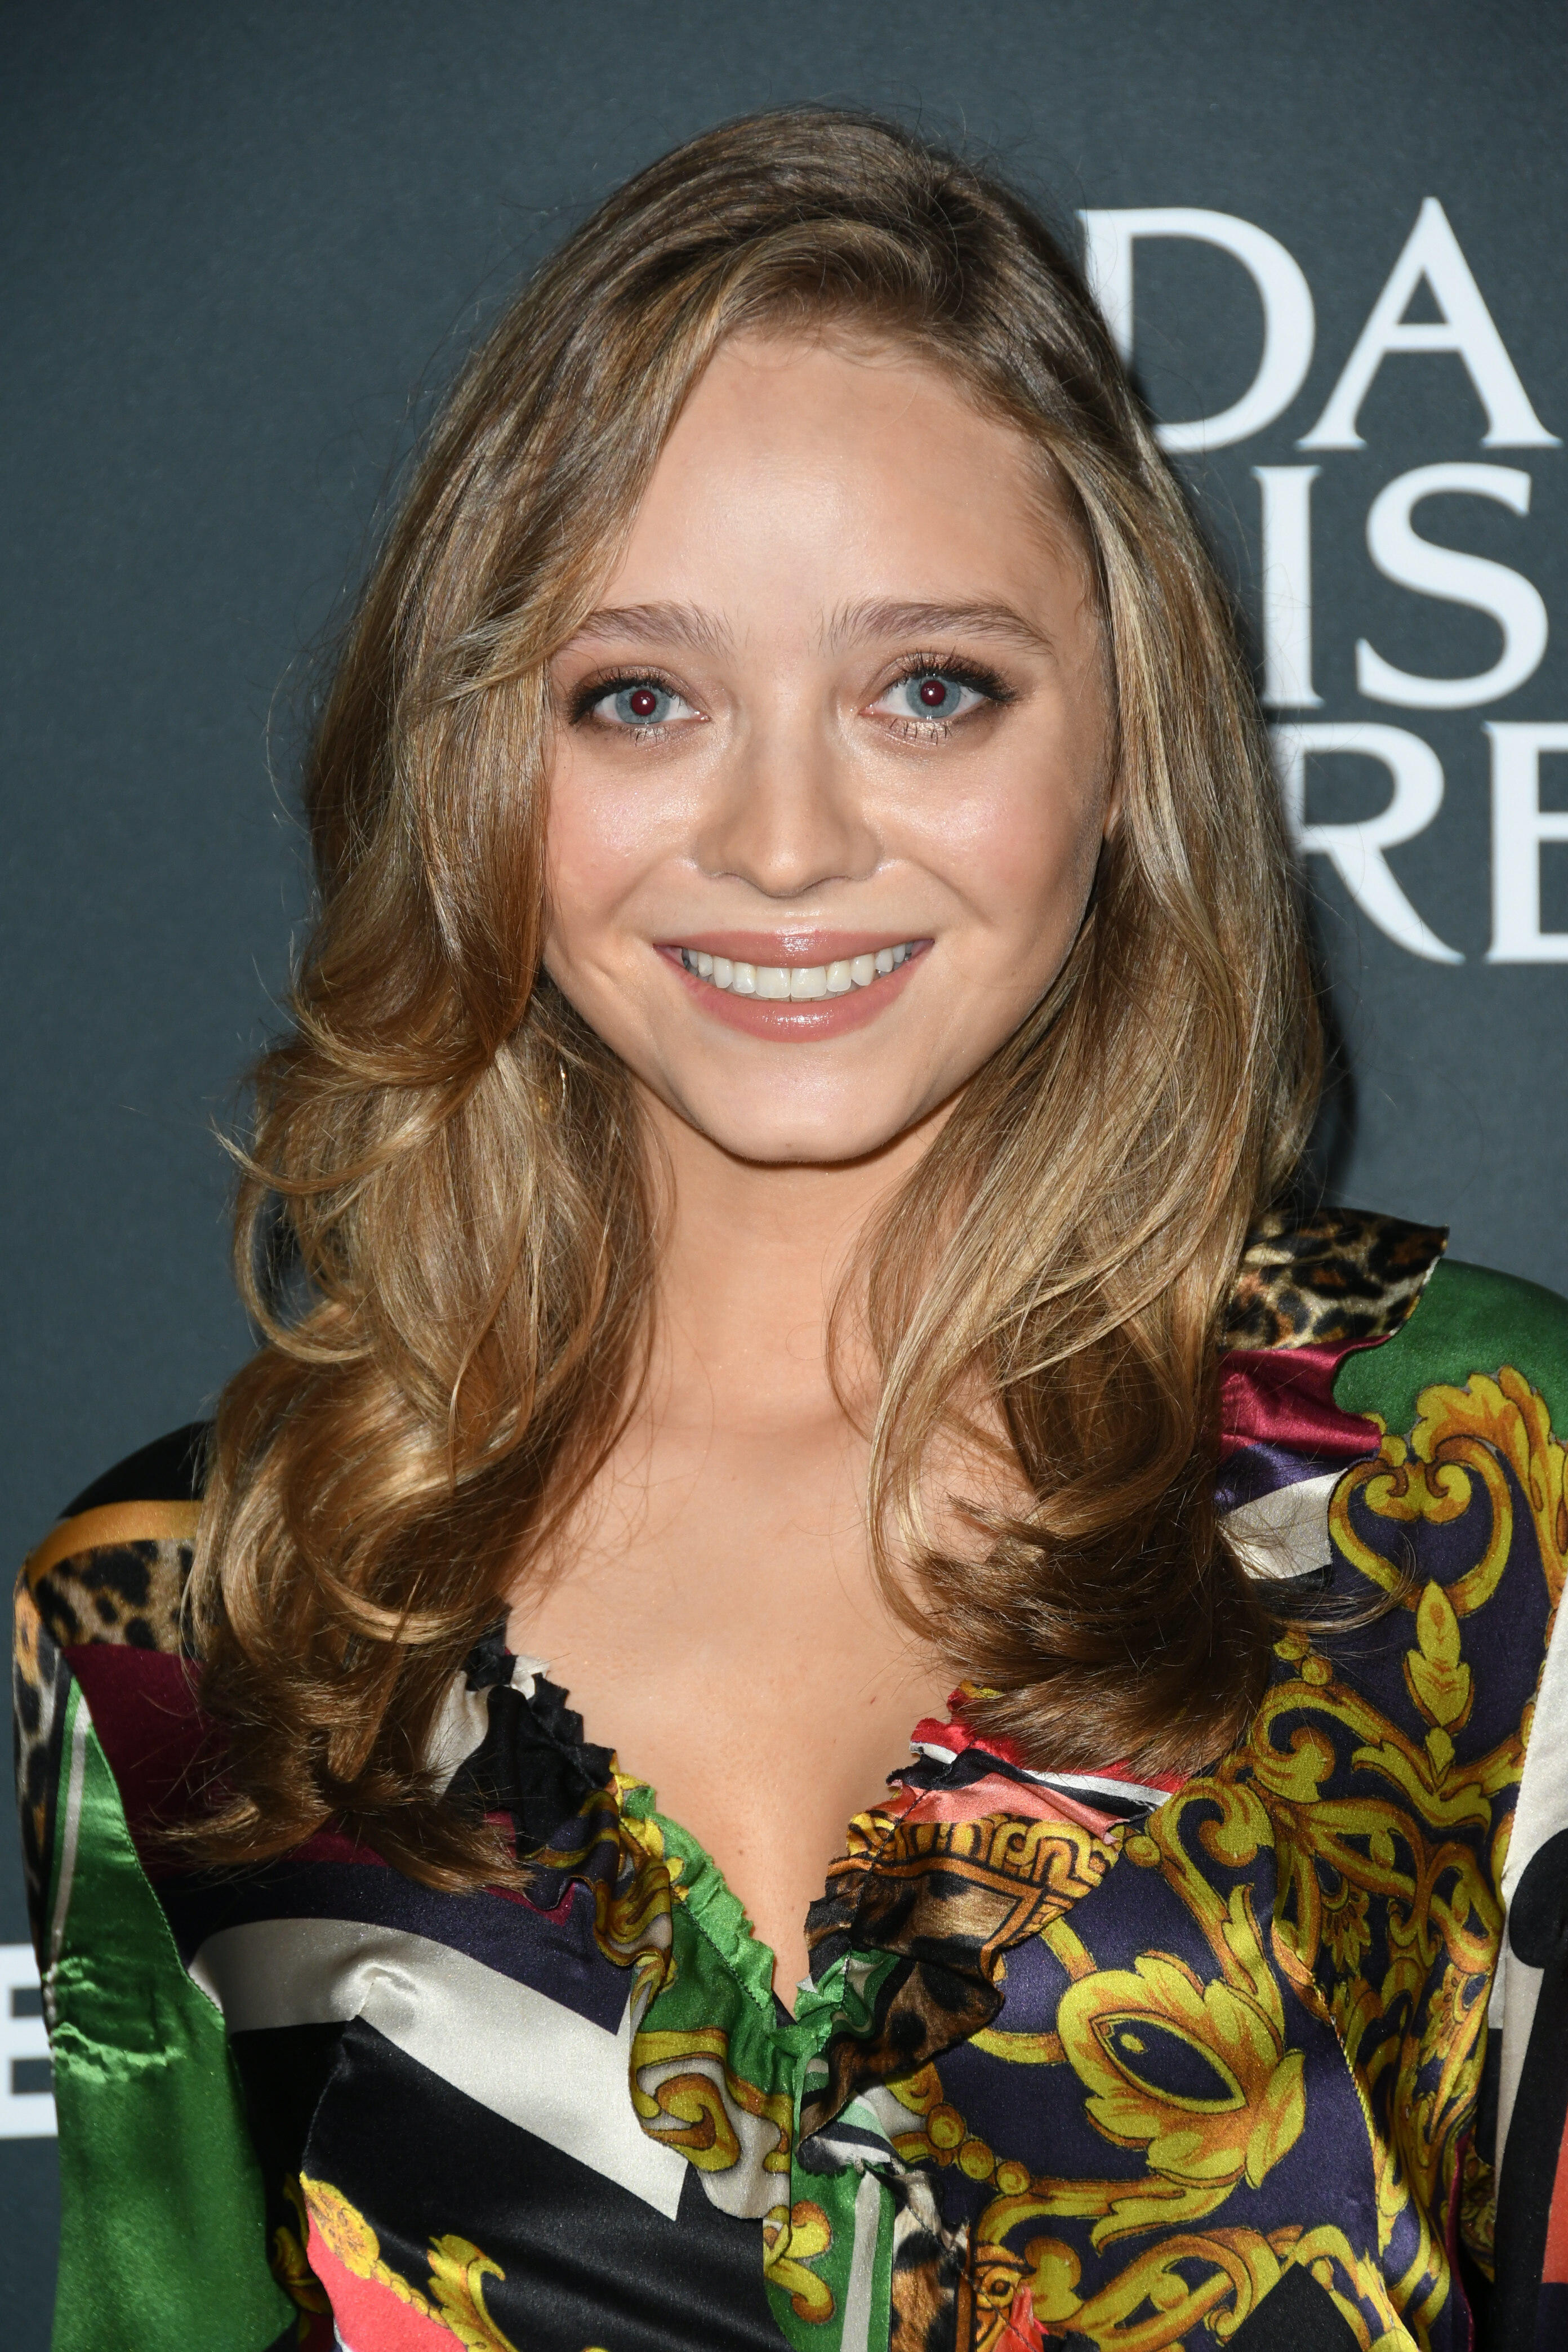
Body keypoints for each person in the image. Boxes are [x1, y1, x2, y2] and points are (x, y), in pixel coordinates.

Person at [14, 108, 1567, 2352]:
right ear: (484, 772)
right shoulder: (202, 1610)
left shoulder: (1475, 1469)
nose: (782, 841)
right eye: (639, 697)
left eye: (929, 688)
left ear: (1129, 746)